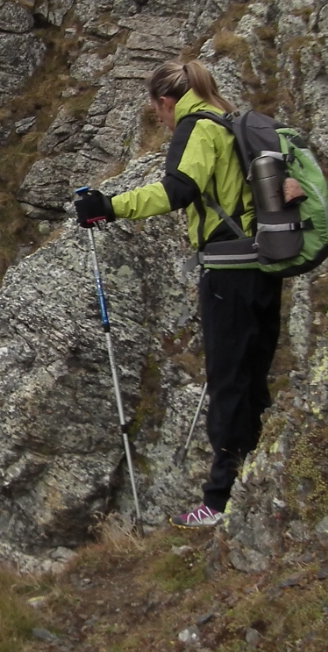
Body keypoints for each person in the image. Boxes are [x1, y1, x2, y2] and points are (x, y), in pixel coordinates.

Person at [72, 60, 298, 528]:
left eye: (158, 111)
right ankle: (255, 478)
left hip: (227, 273)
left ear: (167, 101)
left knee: (228, 382)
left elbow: (178, 190)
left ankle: (218, 503)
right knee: (252, 378)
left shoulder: (197, 128)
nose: (160, 120)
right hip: (265, 265)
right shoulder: (231, 124)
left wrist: (108, 207)